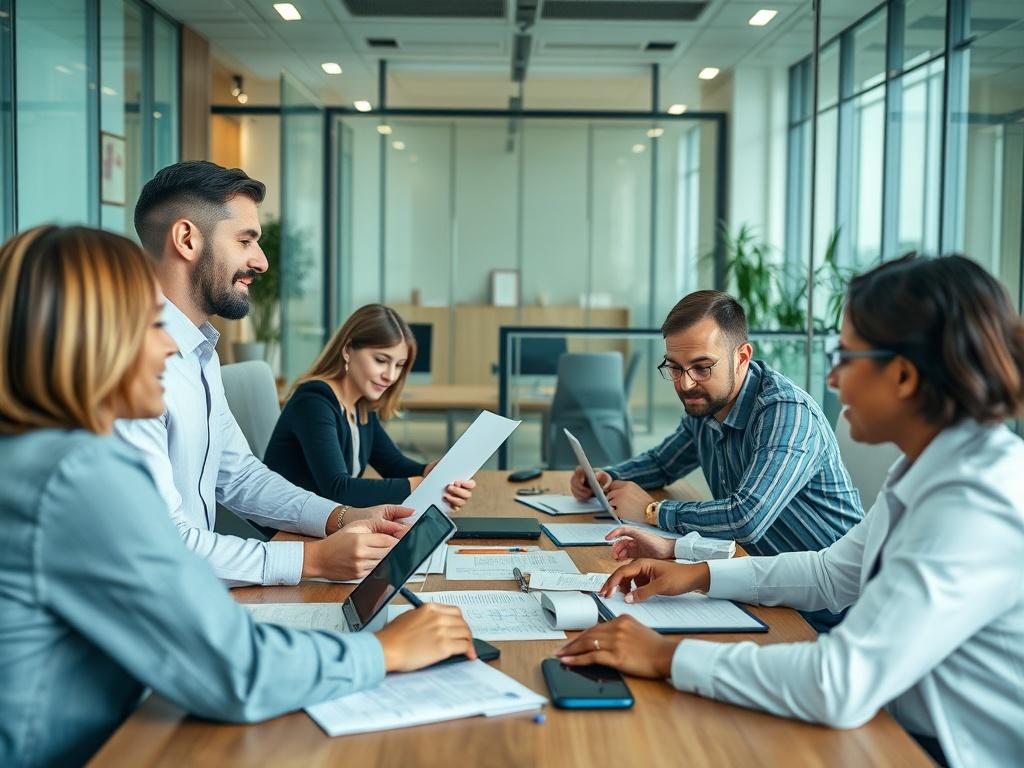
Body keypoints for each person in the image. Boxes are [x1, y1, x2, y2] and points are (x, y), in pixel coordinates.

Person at [0, 226, 476, 768]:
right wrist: (384, 651)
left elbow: (241, 478)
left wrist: (336, 519)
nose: (167, 344)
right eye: (147, 323)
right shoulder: (81, 475)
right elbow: (234, 670)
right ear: (87, 338)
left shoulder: (40, 455)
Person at [556, 255, 1024, 768]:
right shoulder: (927, 469)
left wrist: (665, 655)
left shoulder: (973, 502)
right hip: (895, 719)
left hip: (936, 750)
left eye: (844, 356)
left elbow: (839, 682)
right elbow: (828, 572)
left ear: (905, 375)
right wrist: (696, 574)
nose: (834, 379)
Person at [116, 161, 408, 588]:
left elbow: (239, 476)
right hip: (156, 610)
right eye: (245, 241)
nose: (262, 261)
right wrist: (313, 560)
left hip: (194, 598)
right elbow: (165, 545)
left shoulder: (200, 353)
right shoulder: (128, 364)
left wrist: (340, 517)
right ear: (186, 239)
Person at [571, 290, 862, 629]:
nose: (685, 383)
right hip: (762, 589)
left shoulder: (786, 414)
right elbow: (664, 462)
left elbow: (746, 518)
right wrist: (605, 476)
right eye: (675, 368)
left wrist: (654, 512)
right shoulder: (705, 403)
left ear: (742, 357)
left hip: (835, 613)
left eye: (702, 367)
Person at [265, 304, 475, 508]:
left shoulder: (360, 406)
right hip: (286, 531)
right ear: (348, 350)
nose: (390, 376)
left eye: (399, 365)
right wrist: (420, 485)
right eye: (381, 360)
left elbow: (392, 465)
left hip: (322, 525)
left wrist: (430, 472)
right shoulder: (313, 402)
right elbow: (339, 489)